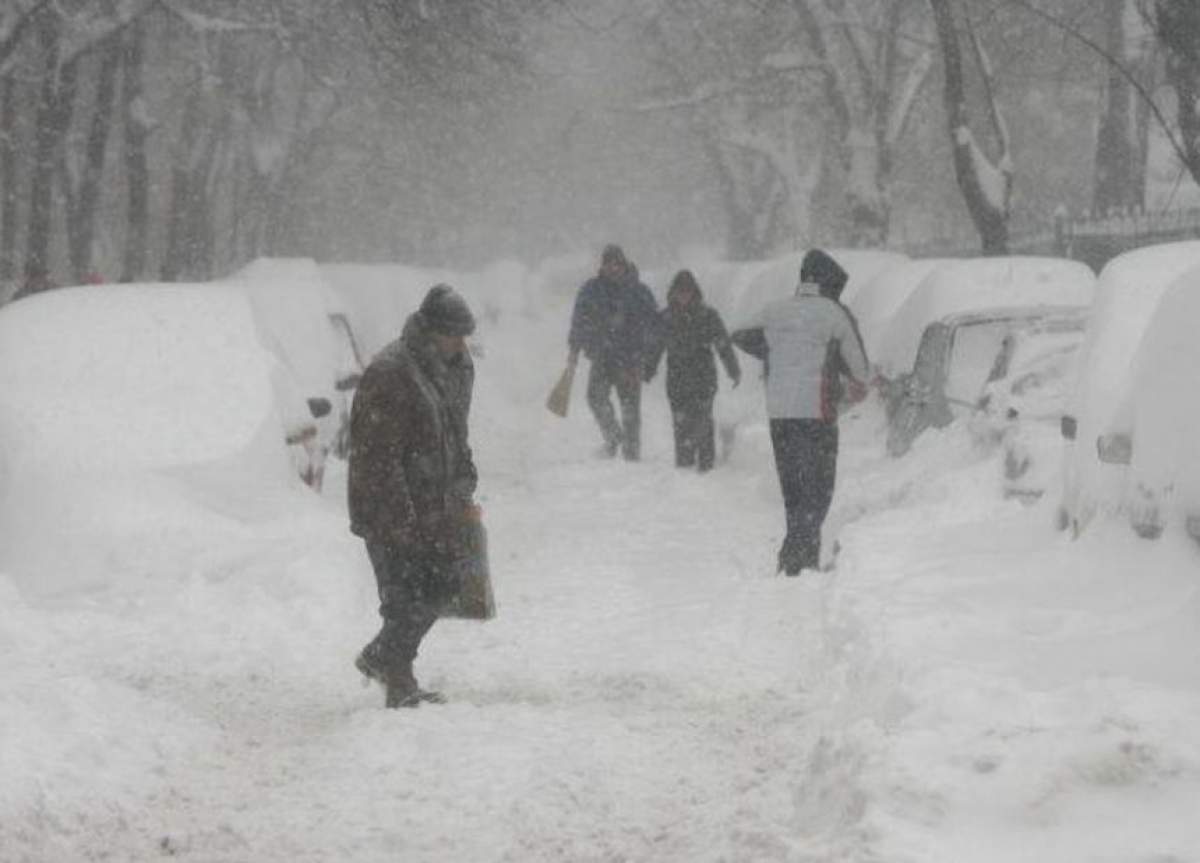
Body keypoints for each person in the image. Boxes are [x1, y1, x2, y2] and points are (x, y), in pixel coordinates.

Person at [348, 284, 480, 708]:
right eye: (454, 335)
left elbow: (454, 432)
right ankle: (398, 679)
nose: (462, 344)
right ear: (431, 331)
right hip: (391, 506)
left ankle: (382, 657)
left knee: (442, 586)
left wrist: (463, 482)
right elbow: (377, 457)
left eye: (465, 336)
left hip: (436, 503)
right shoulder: (391, 372)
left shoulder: (455, 367)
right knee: (403, 596)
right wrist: (397, 519)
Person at [732, 249, 869, 576]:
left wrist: (773, 350)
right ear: (830, 284)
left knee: (793, 487)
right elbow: (861, 371)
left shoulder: (775, 311)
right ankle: (798, 560)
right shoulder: (835, 314)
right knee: (819, 488)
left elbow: (740, 334)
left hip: (780, 413)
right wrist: (840, 367)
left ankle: (795, 556)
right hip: (817, 413)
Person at [566, 244, 659, 460]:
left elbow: (653, 326)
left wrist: (647, 356)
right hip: (602, 356)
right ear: (603, 266)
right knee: (595, 397)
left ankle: (632, 454)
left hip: (631, 359)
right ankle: (614, 434)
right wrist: (574, 349)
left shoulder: (639, 291)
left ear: (624, 264)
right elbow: (579, 321)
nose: (613, 268)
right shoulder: (591, 290)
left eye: (617, 264)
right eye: (608, 264)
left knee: (630, 409)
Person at [643, 269, 741, 472]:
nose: (684, 296)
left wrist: (733, 369)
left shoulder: (708, 315)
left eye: (688, 291)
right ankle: (684, 463)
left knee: (703, 420)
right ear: (674, 293)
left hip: (704, 378)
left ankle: (706, 464)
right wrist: (648, 369)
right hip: (676, 379)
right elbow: (655, 347)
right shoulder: (665, 318)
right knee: (681, 423)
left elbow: (723, 344)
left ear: (695, 292)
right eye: (680, 291)